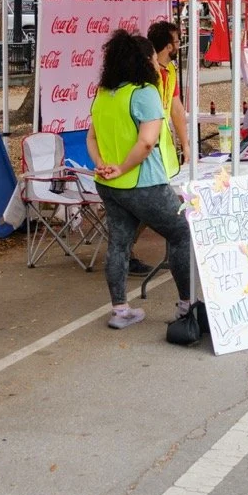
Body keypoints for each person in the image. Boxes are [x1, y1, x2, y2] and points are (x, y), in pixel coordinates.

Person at [87, 29, 193, 329]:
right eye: (151, 58)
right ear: (143, 60)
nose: (157, 63)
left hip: (109, 185)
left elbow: (91, 137)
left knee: (119, 244)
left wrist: (104, 167)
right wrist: (121, 168)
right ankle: (186, 305)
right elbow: (147, 142)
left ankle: (120, 310)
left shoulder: (104, 94)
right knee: (180, 234)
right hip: (144, 183)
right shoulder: (144, 92)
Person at [147, 20, 190, 173]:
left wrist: (185, 144)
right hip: (146, 146)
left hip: (163, 146)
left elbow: (176, 109)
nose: (179, 46)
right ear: (169, 47)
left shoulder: (170, 69)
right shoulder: (146, 73)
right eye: (177, 42)